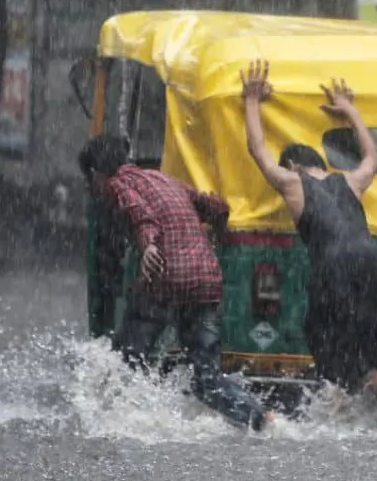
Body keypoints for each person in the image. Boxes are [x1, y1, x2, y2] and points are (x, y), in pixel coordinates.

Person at [78, 135, 275, 432]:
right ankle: (260, 418)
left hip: (164, 276)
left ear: (96, 174)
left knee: (127, 359)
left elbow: (140, 214)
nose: (91, 189)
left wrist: (149, 246)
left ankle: (112, 422)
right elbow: (216, 206)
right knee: (206, 379)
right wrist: (217, 236)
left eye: (89, 182)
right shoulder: (164, 179)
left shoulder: (118, 184)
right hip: (205, 280)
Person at [239, 59, 377, 403]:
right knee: (369, 355)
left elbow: (257, 150)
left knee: (326, 341)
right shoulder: (351, 181)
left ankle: (339, 408)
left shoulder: (292, 182)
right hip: (373, 260)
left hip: (334, 262)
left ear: (293, 165)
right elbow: (372, 158)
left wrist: (251, 100)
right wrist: (350, 110)